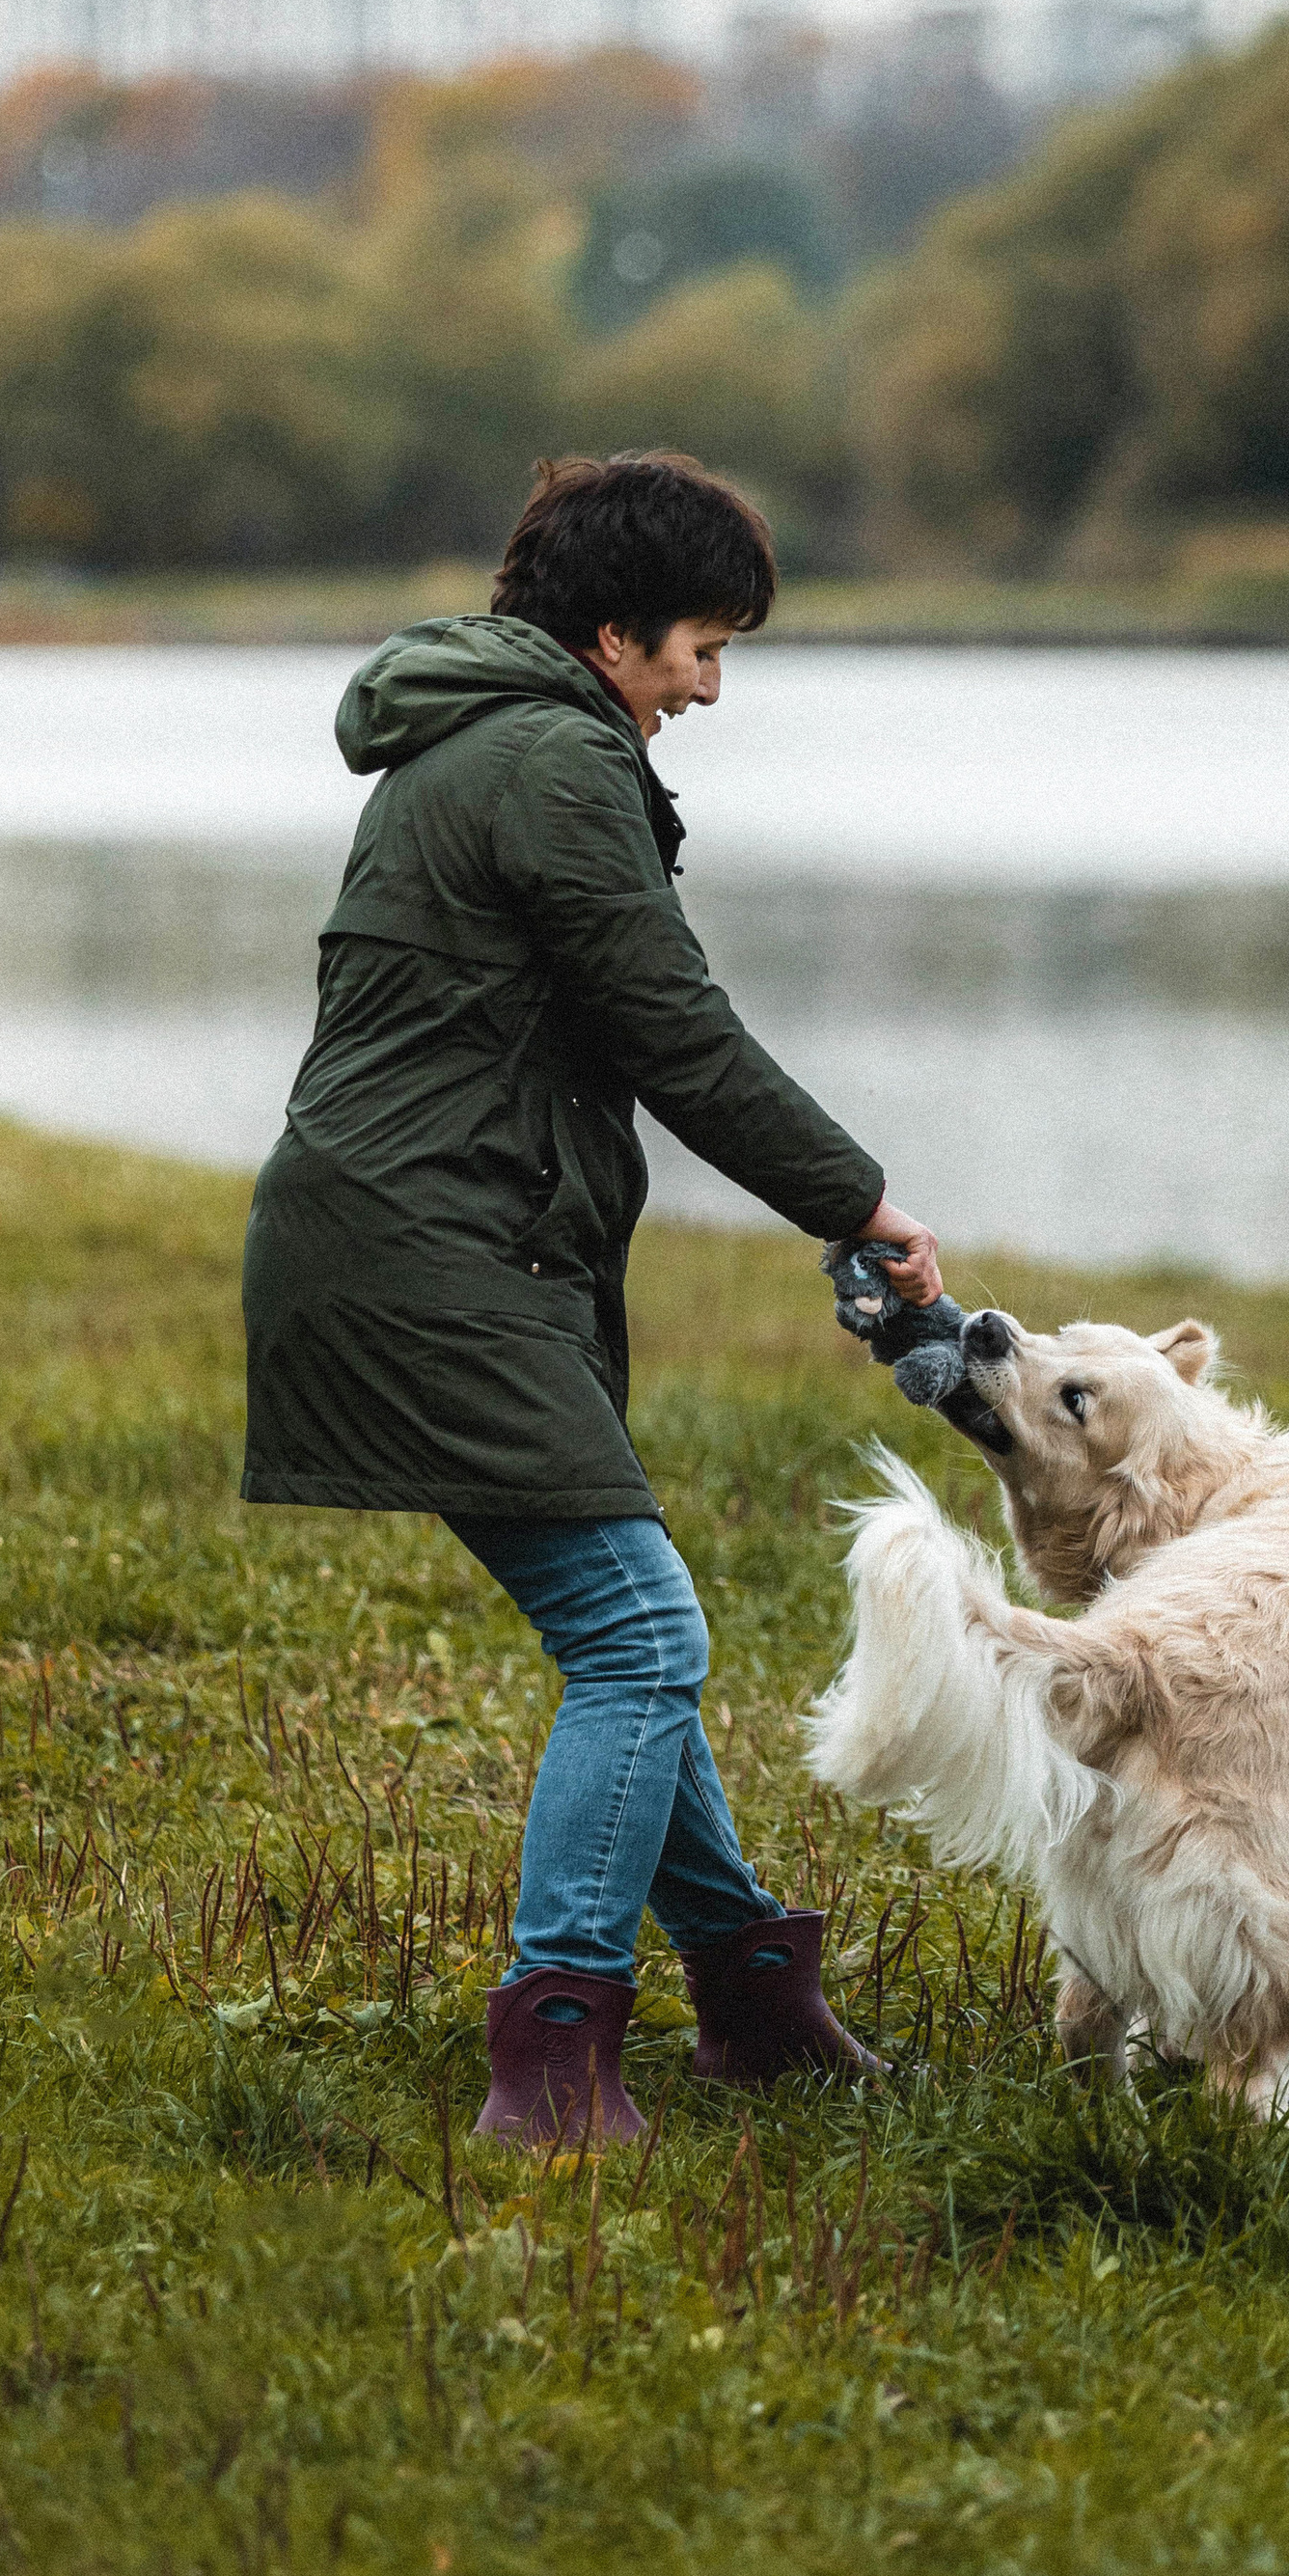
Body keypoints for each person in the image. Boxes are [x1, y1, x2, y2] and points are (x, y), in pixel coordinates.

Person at [241, 450, 943, 2149]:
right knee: (642, 1640)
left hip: (432, 1241)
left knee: (620, 1636)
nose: (712, 688)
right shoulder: (553, 760)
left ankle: (758, 2008)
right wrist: (858, 1204)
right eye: (705, 648)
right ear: (616, 634)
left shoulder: (488, 736)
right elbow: (670, 1030)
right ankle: (550, 2069)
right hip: (432, 1256)